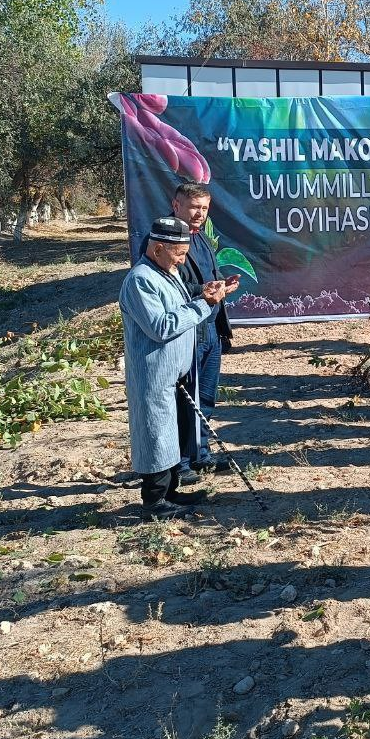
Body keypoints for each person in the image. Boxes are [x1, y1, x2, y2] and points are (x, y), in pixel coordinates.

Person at [120, 217, 231, 518]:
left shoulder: (167, 273)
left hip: (173, 373)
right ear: (158, 249)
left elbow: (180, 299)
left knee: (170, 432)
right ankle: (154, 502)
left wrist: (203, 292)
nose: (183, 259)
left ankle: (170, 492)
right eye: (179, 254)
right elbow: (161, 326)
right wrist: (204, 306)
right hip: (153, 374)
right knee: (155, 433)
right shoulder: (141, 280)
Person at [171, 183, 236, 485]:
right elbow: (169, 288)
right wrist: (204, 291)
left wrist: (223, 285)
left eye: (204, 208)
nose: (199, 213)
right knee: (185, 398)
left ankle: (201, 454)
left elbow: (211, 278)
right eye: (194, 207)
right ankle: (180, 463)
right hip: (187, 331)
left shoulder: (202, 240)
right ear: (177, 206)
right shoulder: (166, 240)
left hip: (210, 328)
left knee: (206, 397)